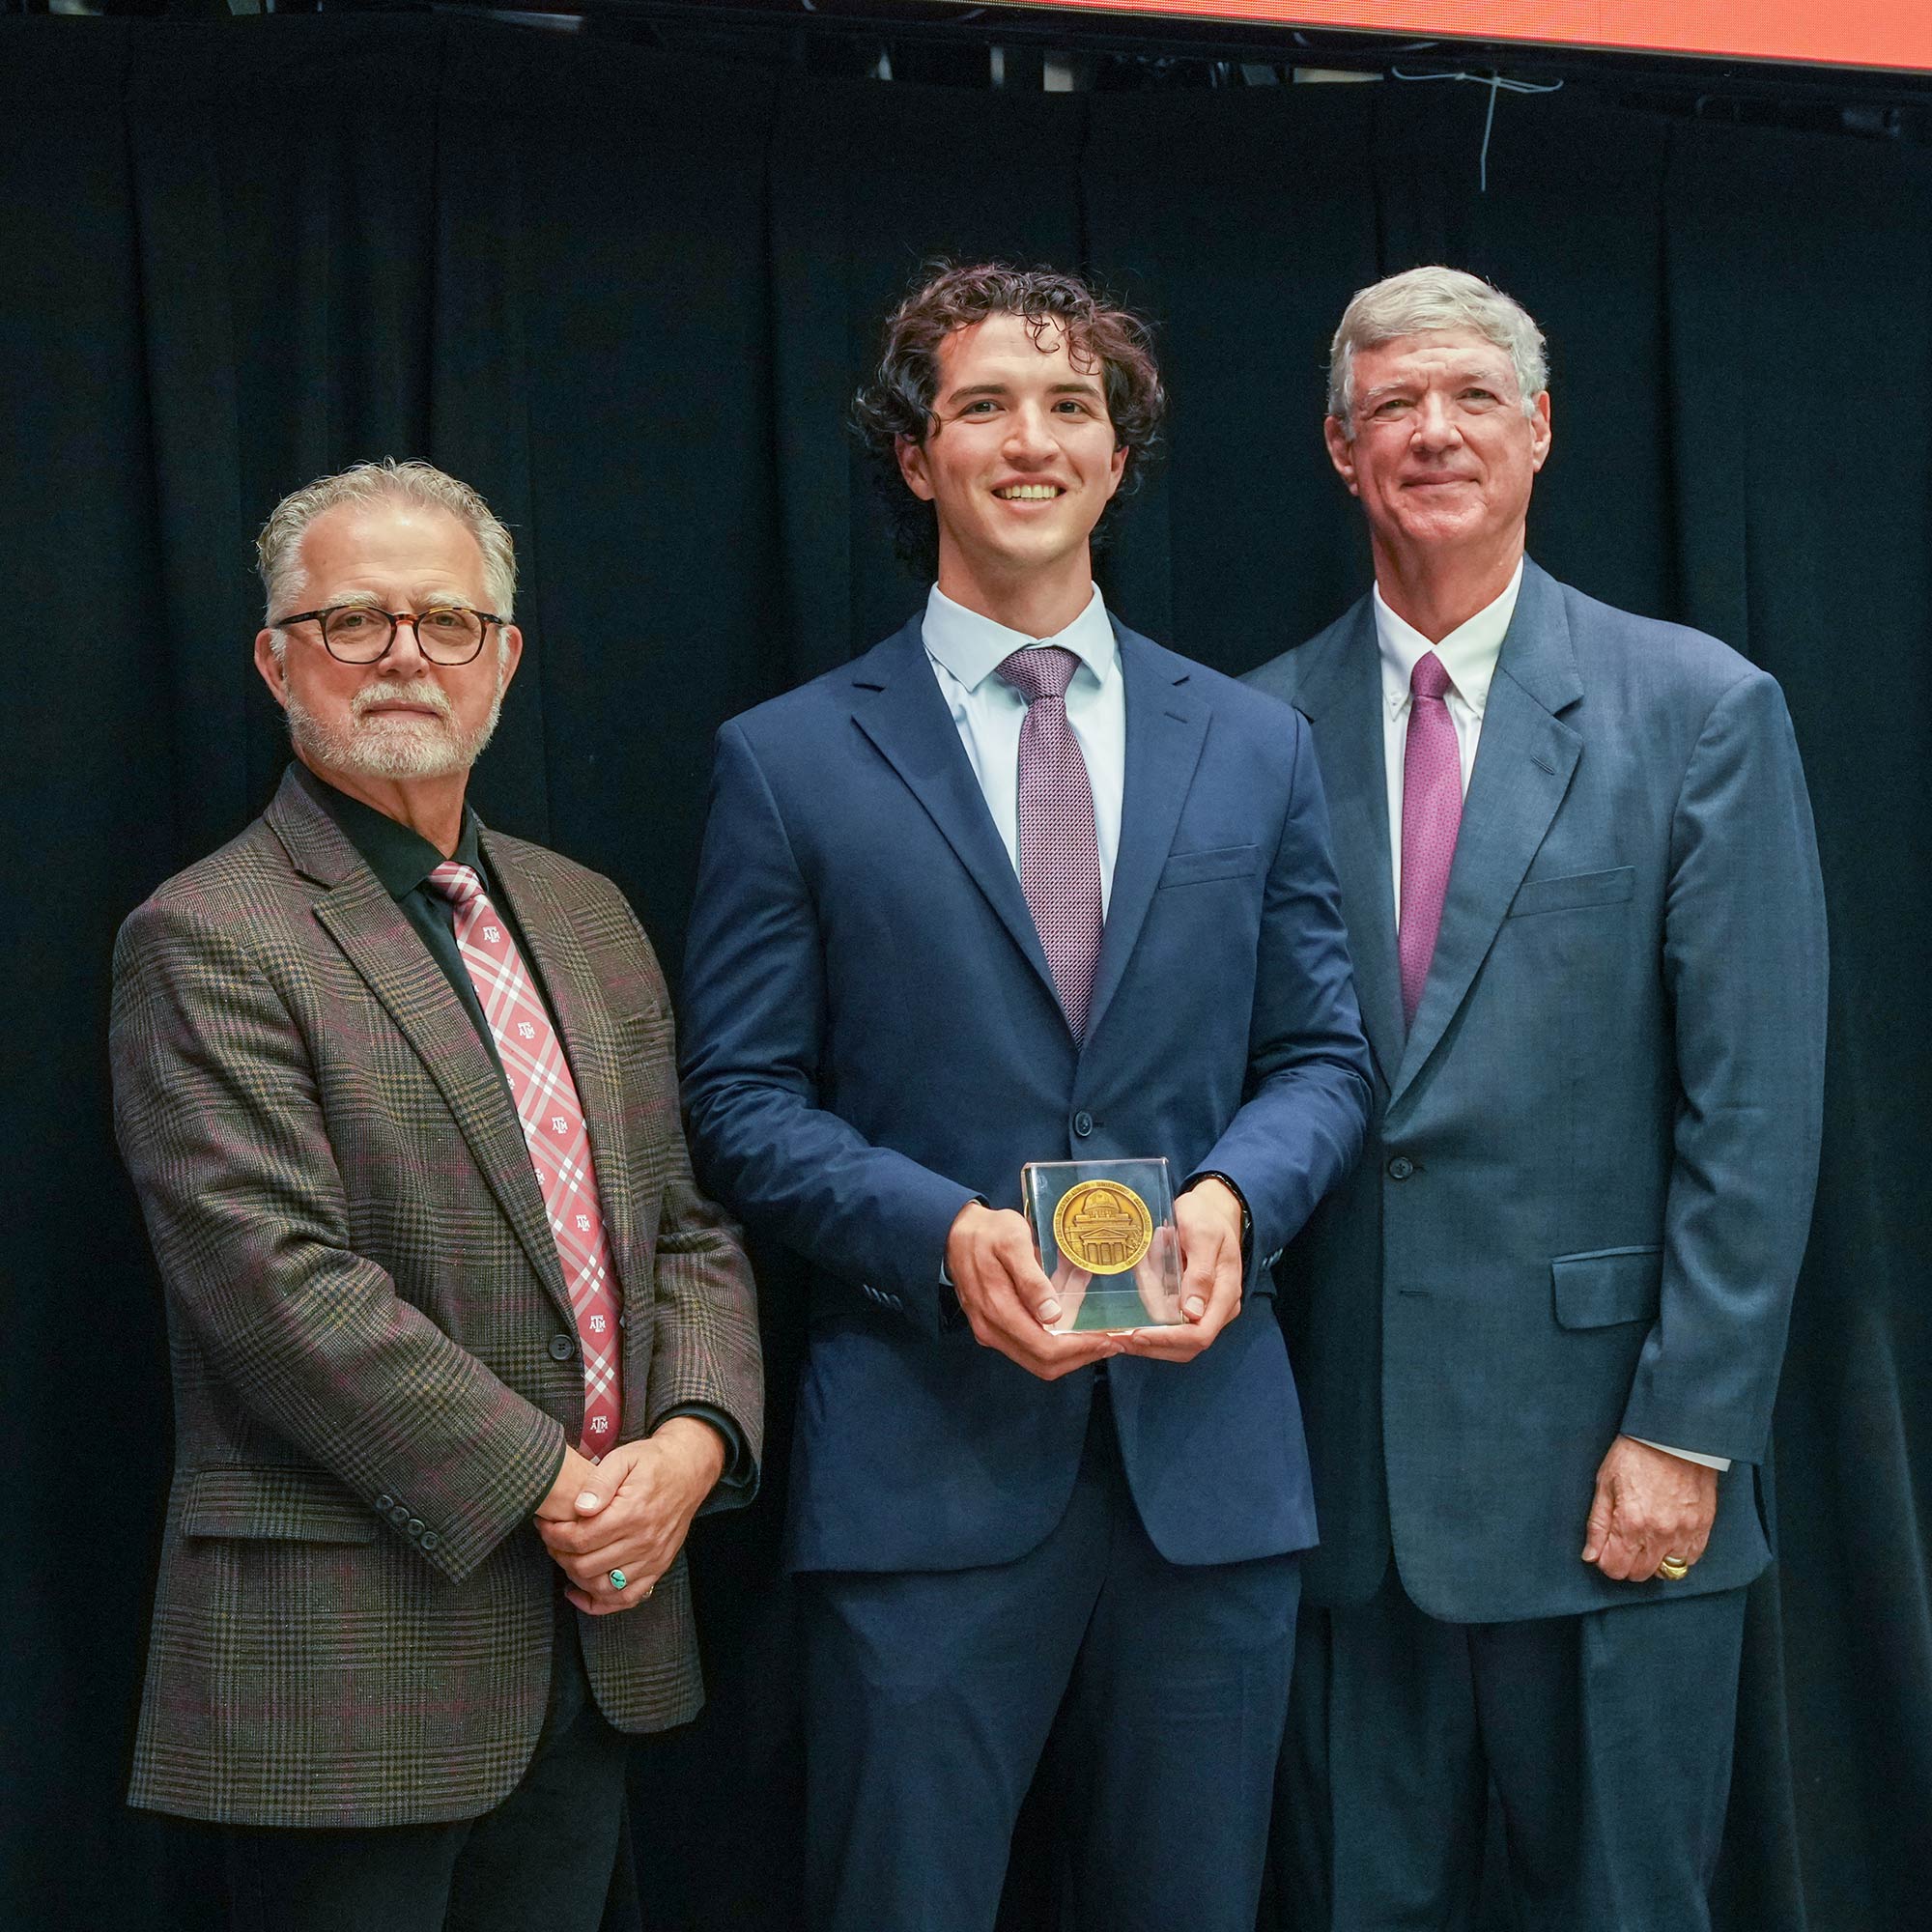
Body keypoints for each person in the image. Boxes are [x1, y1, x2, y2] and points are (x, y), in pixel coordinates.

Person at [677, 262, 1372, 1932]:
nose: (1030, 440)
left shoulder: (1254, 744)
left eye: (1072, 406)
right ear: (915, 458)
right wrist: (944, 1235)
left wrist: (1231, 1199)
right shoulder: (788, 760)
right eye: (982, 404)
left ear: (1121, 457)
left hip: (1204, 1479)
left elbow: (1324, 1056)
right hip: (925, 1473)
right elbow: (743, 1096)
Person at [1248, 267, 1828, 1932]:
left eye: (1473, 398)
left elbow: (1759, 1115)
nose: (1434, 431)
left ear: (1542, 430)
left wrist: (1686, 1428)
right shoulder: (1253, 727)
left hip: (1617, 1480)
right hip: (1337, 1492)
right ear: (1341, 450)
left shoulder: (1701, 710)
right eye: (1393, 407)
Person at [109, 459, 762, 1932]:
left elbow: (686, 1226)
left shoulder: (589, 913)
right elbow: (277, 1287)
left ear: (506, 658)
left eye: (447, 622)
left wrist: (695, 1443)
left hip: (599, 1641)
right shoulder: (207, 934)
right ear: (275, 658)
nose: (406, 654)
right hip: (350, 1671)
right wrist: (560, 1484)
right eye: (352, 620)